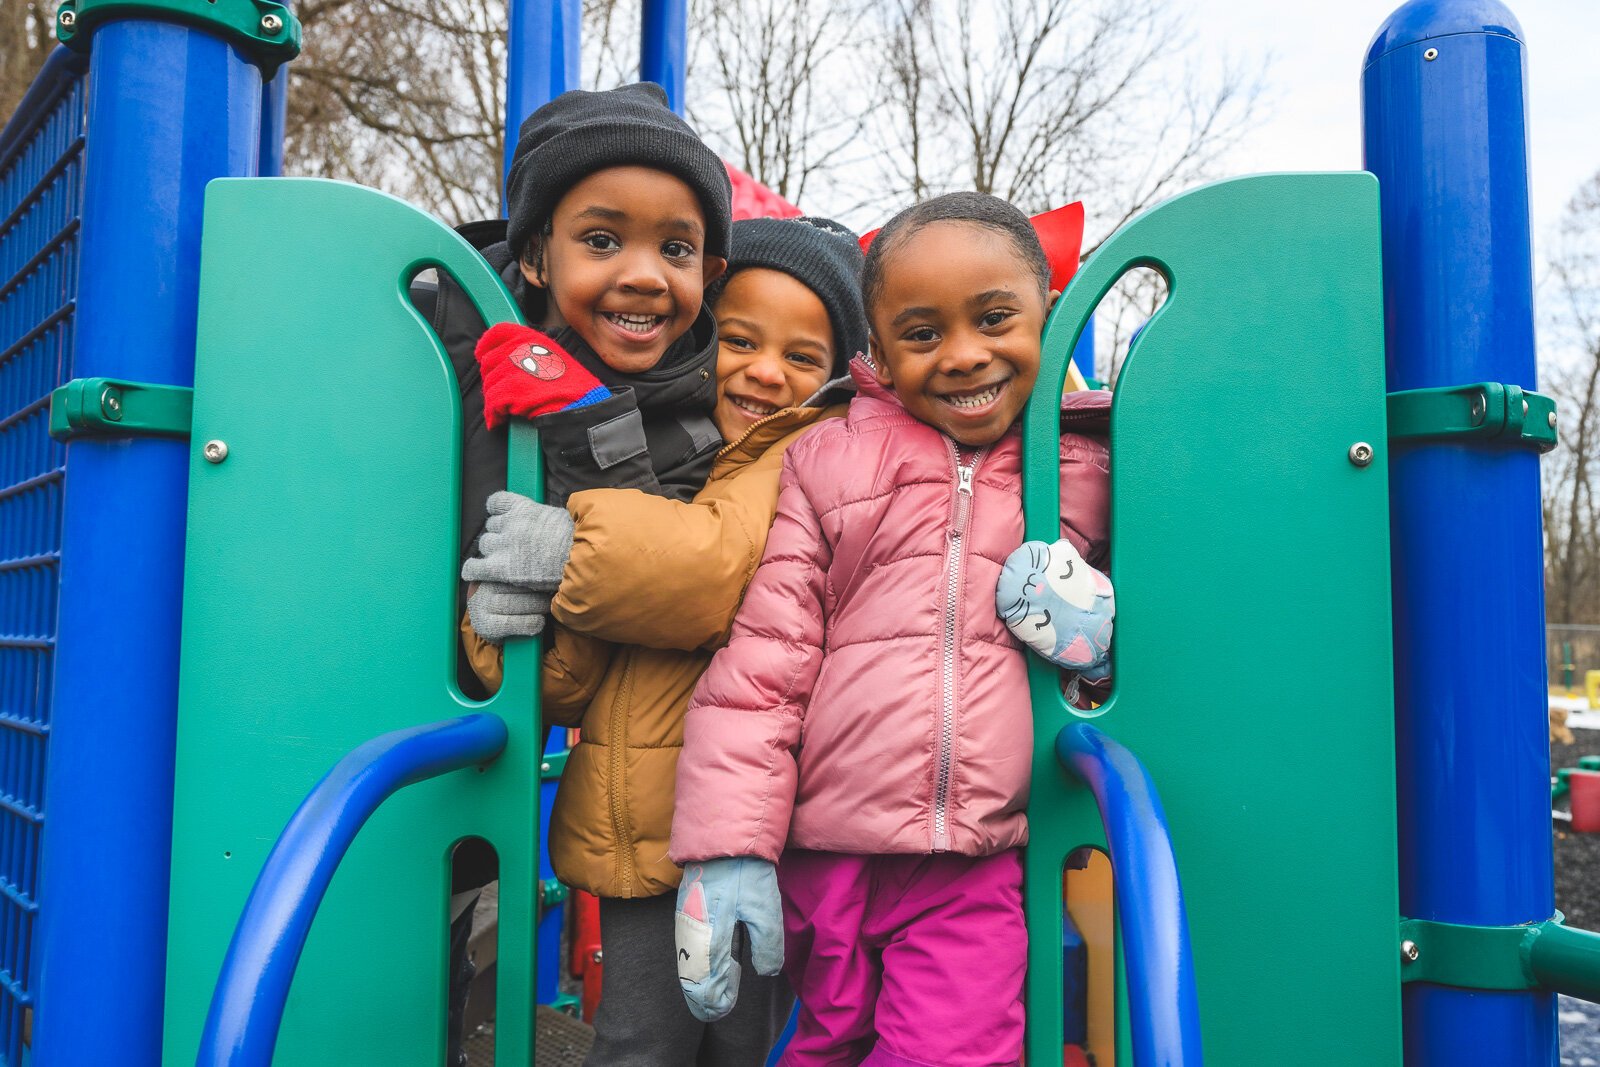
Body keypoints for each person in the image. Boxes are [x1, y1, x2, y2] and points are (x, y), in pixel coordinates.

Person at [668, 192, 1115, 1067]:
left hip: (974, 860)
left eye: (994, 318)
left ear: (1049, 313)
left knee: (952, 1050)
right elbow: (763, 667)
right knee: (824, 1042)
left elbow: (1152, 661)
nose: (964, 353)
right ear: (877, 348)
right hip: (824, 853)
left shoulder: (1089, 469)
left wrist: (1097, 646)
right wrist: (728, 847)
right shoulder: (830, 460)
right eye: (922, 332)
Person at [463, 216, 870, 1065]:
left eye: (802, 357)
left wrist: (572, 547)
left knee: (716, 1039)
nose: (766, 371)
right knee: (644, 1038)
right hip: (645, 818)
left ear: (836, 374)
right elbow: (574, 677)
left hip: (755, 823)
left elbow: (711, 573)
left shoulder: (805, 452)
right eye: (742, 340)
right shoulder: (674, 459)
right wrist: (509, 622)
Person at [418, 80, 732, 1065]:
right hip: (375, 685)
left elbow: (602, 640)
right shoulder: (437, 337)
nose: (644, 275)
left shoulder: (694, 418)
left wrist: (588, 427)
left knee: (452, 946)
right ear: (535, 255)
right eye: (602, 240)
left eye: (675, 249)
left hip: (499, 725)